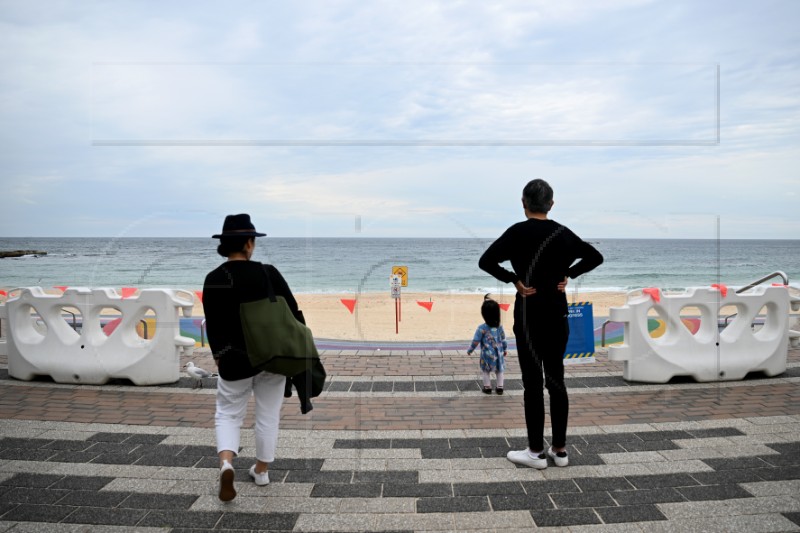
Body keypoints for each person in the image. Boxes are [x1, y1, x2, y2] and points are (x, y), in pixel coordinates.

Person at [478, 179, 603, 469]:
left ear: (524, 203)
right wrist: (569, 274)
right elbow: (595, 256)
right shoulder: (562, 233)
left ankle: (535, 452)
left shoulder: (517, 232)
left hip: (529, 315)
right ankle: (559, 450)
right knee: (556, 380)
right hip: (557, 314)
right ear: (551, 204)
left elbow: (486, 261)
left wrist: (514, 280)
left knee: (532, 384)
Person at [203, 213, 307, 501]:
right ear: (249, 243)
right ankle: (261, 471)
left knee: (227, 413)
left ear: (225, 245)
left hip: (233, 360)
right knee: (267, 414)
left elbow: (213, 323)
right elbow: (294, 313)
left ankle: (226, 463)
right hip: (271, 357)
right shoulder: (268, 273)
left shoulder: (214, 279)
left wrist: (219, 355)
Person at [466, 296, 508, 395]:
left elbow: (476, 341)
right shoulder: (500, 327)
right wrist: (505, 349)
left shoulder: (481, 328)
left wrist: (470, 350)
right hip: (499, 353)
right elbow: (504, 340)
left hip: (486, 355)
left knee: (485, 370)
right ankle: (500, 387)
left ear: (484, 314)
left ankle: (487, 387)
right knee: (499, 370)